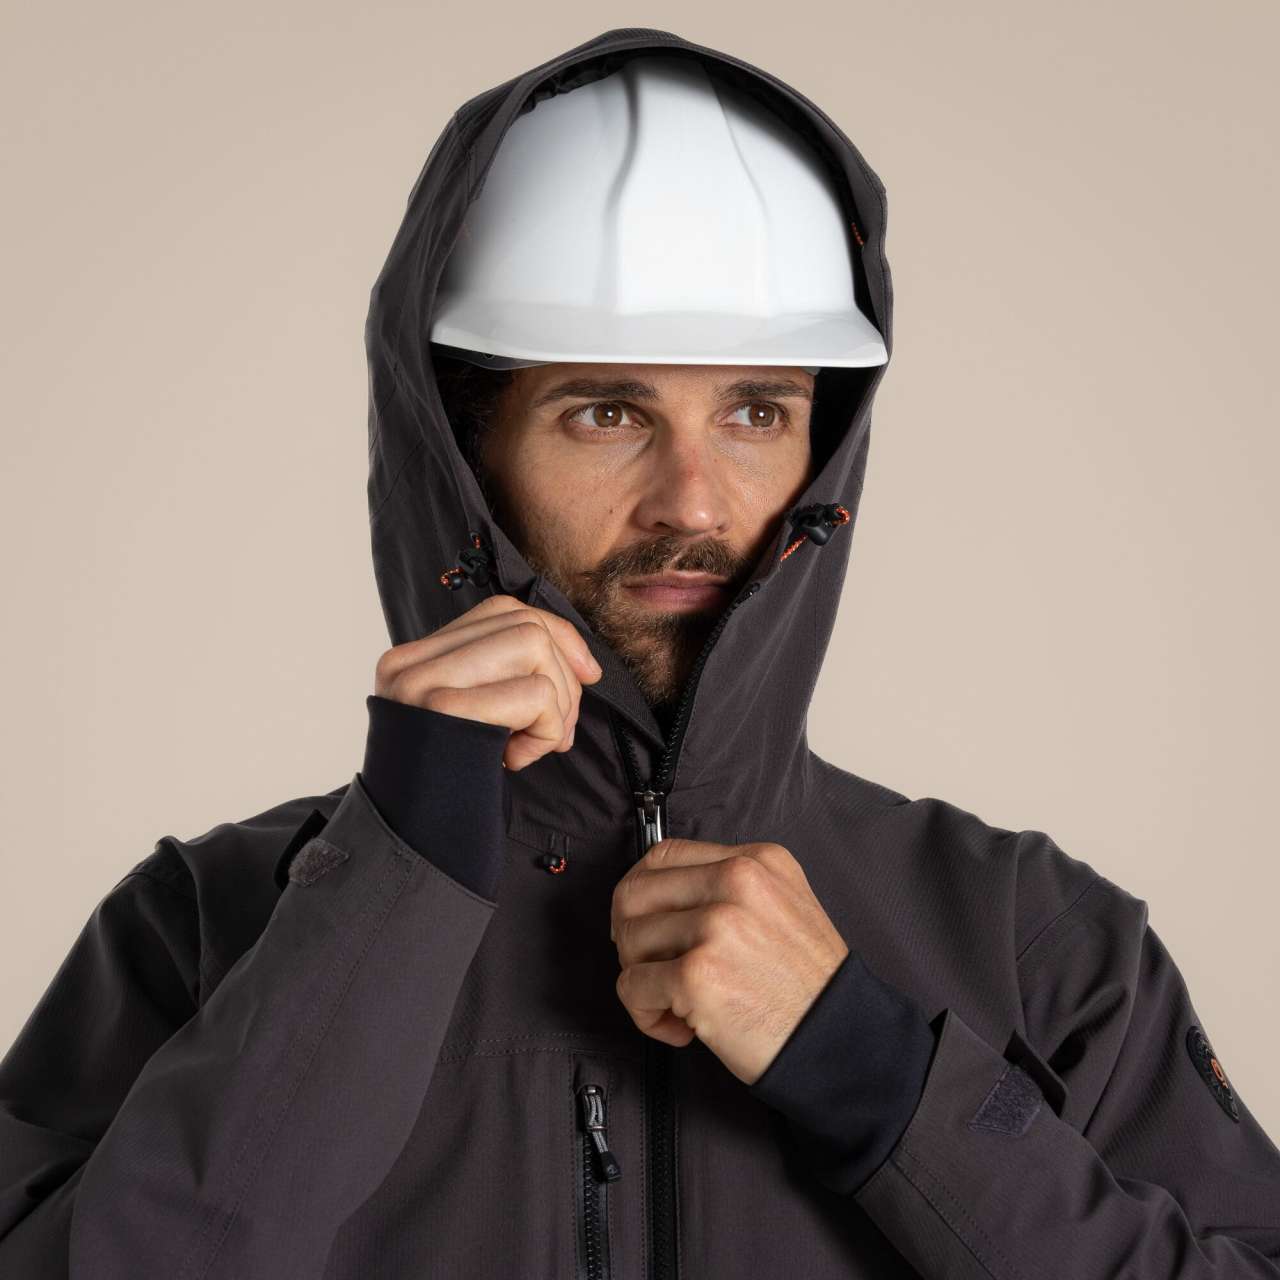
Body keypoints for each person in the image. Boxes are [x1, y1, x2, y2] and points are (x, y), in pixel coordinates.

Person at [1, 26, 1278, 1280]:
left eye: (757, 410)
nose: (693, 501)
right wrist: (383, 896)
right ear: (464, 455)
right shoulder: (202, 922)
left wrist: (873, 1068)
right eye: (605, 410)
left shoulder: (1030, 937)